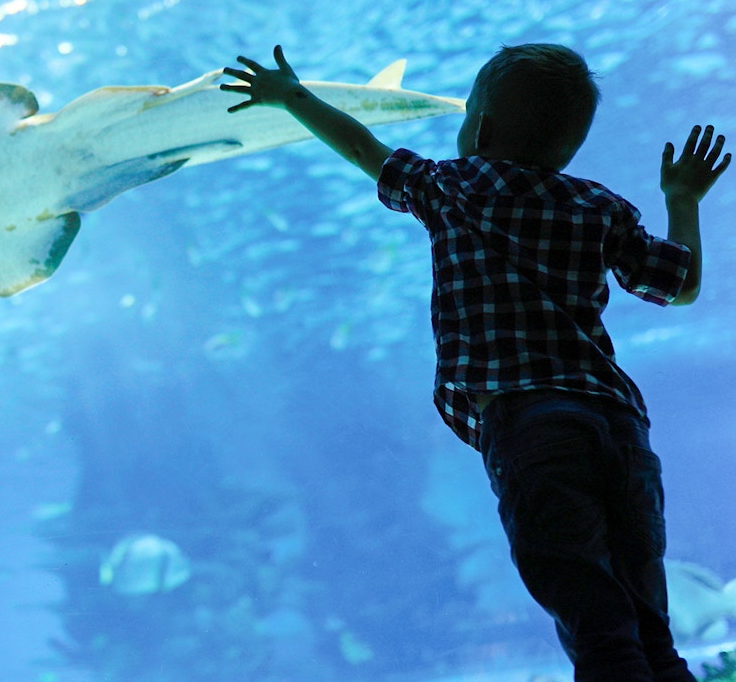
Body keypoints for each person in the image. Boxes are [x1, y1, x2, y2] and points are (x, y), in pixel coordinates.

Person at [221, 43, 730, 682]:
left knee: (595, 621)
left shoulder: (454, 187)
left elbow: (362, 150)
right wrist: (683, 197)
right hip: (620, 426)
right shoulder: (601, 207)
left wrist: (291, 96)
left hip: (533, 427)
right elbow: (678, 285)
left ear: (480, 128)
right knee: (651, 628)